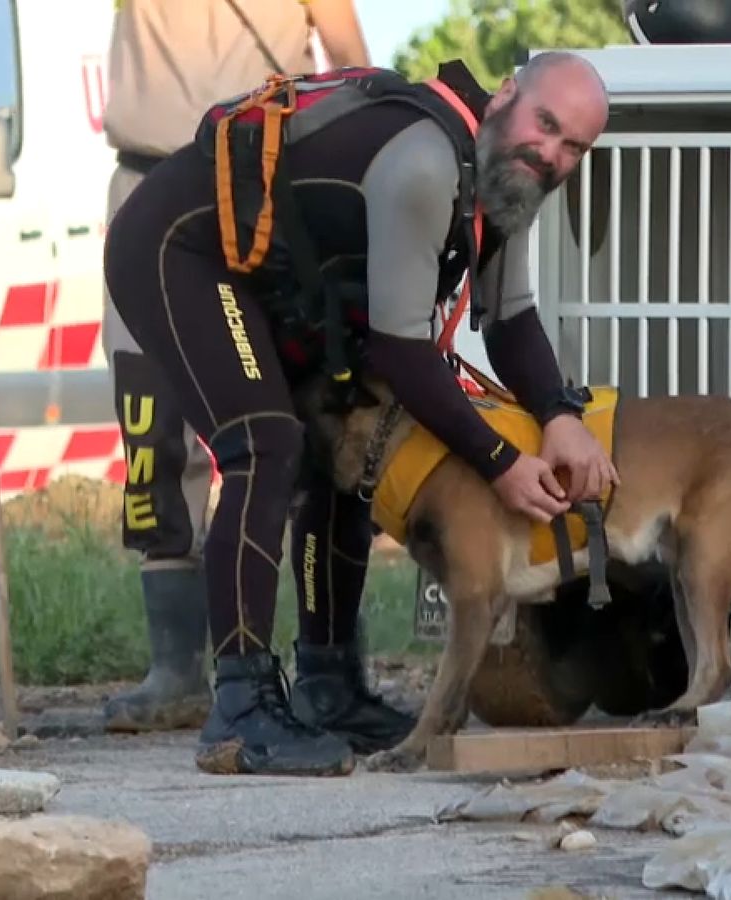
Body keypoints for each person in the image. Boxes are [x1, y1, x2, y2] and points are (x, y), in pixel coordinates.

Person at [102, 50, 617, 776]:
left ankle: (328, 685)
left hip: (270, 277)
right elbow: (404, 354)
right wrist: (499, 461)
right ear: (505, 97)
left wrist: (561, 414)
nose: (553, 154)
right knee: (265, 444)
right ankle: (242, 708)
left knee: (340, 455)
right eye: (546, 125)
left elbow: (510, 319)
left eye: (574, 147)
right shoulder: (428, 163)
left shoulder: (506, 178)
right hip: (178, 248)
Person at [98, 0, 372, 735]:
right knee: (152, 432)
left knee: (289, 432)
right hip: (145, 187)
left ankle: (316, 659)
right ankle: (176, 668)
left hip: (257, 189)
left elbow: (351, 64)